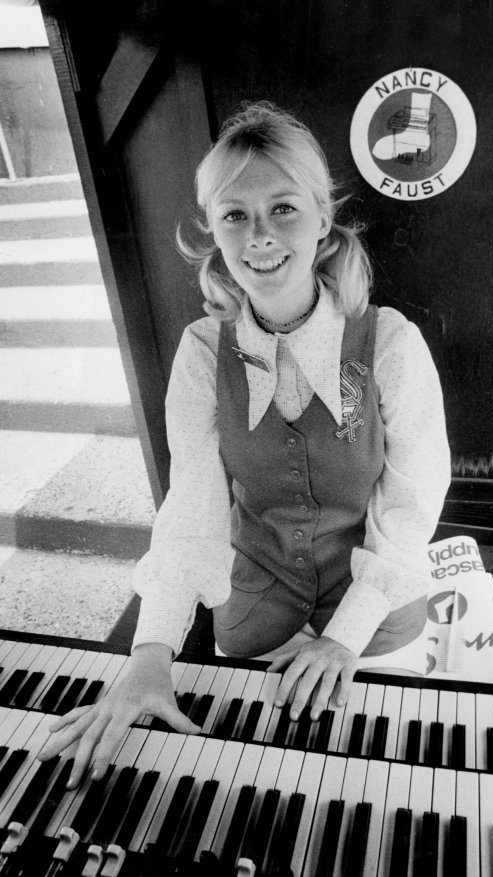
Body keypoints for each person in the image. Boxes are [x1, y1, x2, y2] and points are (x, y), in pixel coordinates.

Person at [39, 101, 451, 787]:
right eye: (235, 215)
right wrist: (150, 653)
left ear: (323, 220)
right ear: (216, 234)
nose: (259, 234)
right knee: (254, 786)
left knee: (371, 787)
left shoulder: (392, 344)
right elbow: (193, 508)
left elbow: (412, 506)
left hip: (373, 621)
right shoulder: (203, 351)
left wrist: (344, 638)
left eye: (283, 207)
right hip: (256, 618)